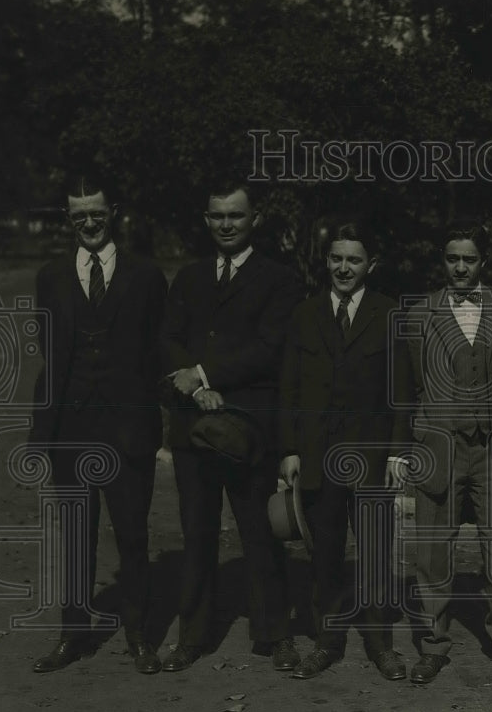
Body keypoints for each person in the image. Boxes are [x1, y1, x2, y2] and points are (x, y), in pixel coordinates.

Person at [160, 179, 301, 672]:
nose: (226, 224)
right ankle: (192, 636)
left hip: (248, 431)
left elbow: (268, 348)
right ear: (205, 220)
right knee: (196, 535)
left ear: (254, 218)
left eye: (235, 216)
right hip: (192, 429)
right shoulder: (190, 278)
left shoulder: (279, 279)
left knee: (259, 533)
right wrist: (197, 390)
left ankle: (274, 633)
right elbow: (169, 342)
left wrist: (206, 374)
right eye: (217, 216)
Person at [31, 175, 167, 674]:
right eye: (77, 216)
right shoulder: (50, 276)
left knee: (132, 536)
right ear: (69, 219)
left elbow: (157, 352)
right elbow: (51, 350)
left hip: (128, 429)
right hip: (71, 429)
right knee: (74, 537)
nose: (88, 223)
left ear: (113, 212)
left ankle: (139, 636)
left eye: (96, 213)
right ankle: (74, 635)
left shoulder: (147, 276)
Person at [401, 219, 492, 684]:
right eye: (451, 258)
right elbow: (411, 384)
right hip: (439, 443)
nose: (460, 268)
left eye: (469, 259)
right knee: (433, 549)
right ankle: (433, 643)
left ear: (483, 262)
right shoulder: (420, 314)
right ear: (442, 260)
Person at [277, 218, 413, 682]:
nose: (343, 267)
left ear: (370, 265)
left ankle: (381, 645)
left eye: (353, 259)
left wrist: (397, 453)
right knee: (326, 555)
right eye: (336, 258)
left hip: (372, 460)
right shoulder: (304, 314)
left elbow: (401, 393)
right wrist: (290, 450)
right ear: (325, 260)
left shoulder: (388, 313)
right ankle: (327, 641)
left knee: (375, 555)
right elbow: (289, 389)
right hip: (317, 458)